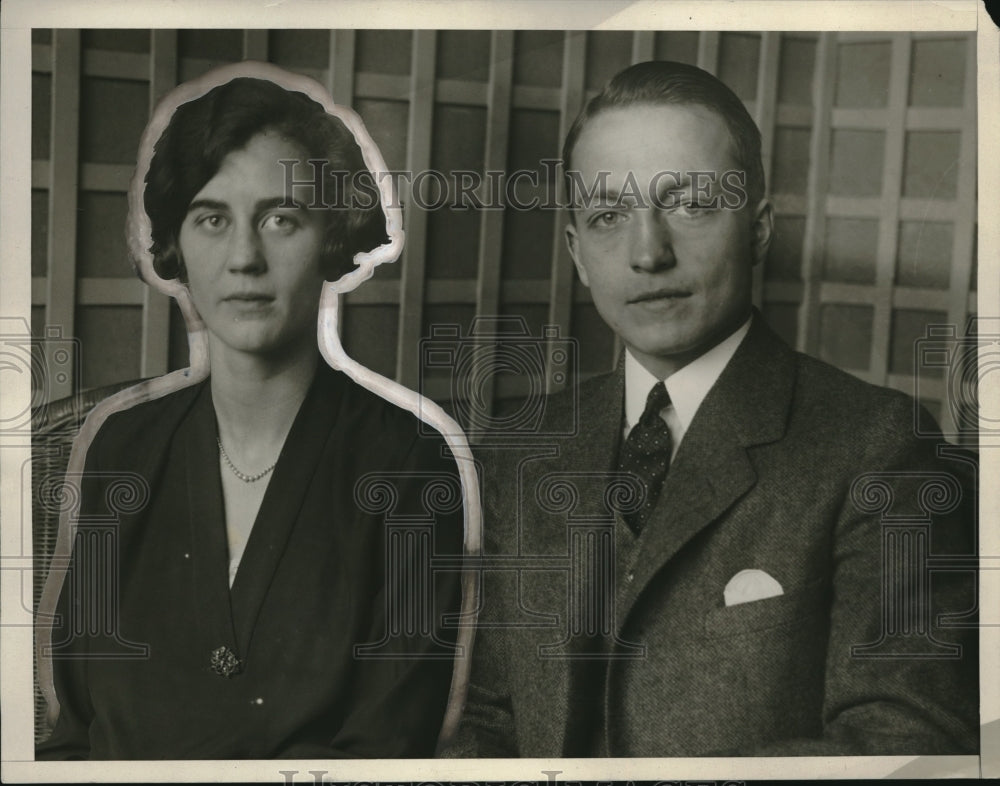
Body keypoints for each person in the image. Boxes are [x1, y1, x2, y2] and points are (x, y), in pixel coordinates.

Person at [445, 61, 978, 757]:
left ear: (758, 228)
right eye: (609, 216)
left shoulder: (878, 445)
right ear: (577, 255)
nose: (648, 252)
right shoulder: (520, 448)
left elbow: (902, 741)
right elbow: (484, 721)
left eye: (691, 204)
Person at [36, 70, 465, 760]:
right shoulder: (123, 447)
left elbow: (385, 746)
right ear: (177, 243)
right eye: (212, 219)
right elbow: (77, 735)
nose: (244, 258)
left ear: (332, 234)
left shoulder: (407, 463)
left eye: (280, 219)